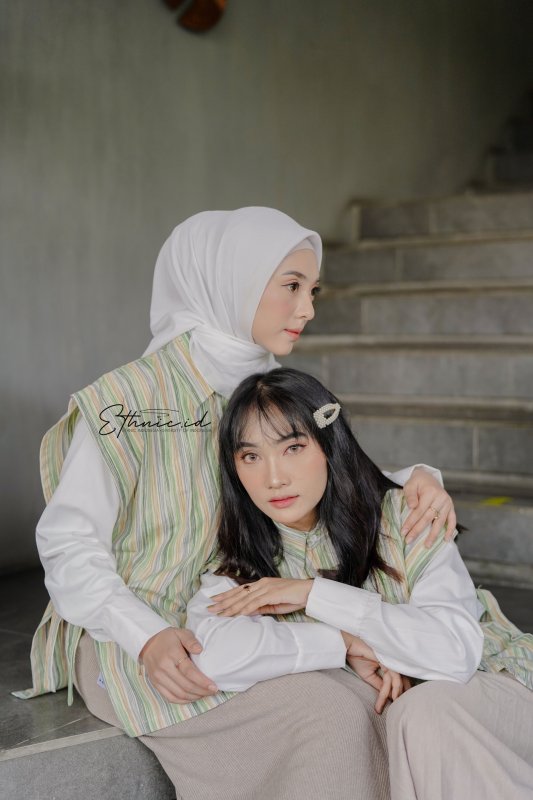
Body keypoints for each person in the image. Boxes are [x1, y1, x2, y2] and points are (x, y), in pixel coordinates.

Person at [17, 207, 457, 800]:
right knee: (330, 716)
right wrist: (145, 635)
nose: (307, 309)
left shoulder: (267, 384)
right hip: (143, 638)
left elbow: (325, 471)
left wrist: (417, 479)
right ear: (233, 282)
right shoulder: (127, 400)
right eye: (291, 286)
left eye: (312, 290)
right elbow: (67, 542)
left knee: (384, 701)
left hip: (249, 618)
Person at [185, 365, 533, 800]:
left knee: (423, 710)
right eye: (251, 457)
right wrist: (344, 641)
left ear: (328, 445)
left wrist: (313, 594)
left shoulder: (406, 516)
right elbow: (215, 657)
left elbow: (455, 653)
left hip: (500, 689)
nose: (274, 478)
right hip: (422, 732)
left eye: (293, 447)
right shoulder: (238, 560)